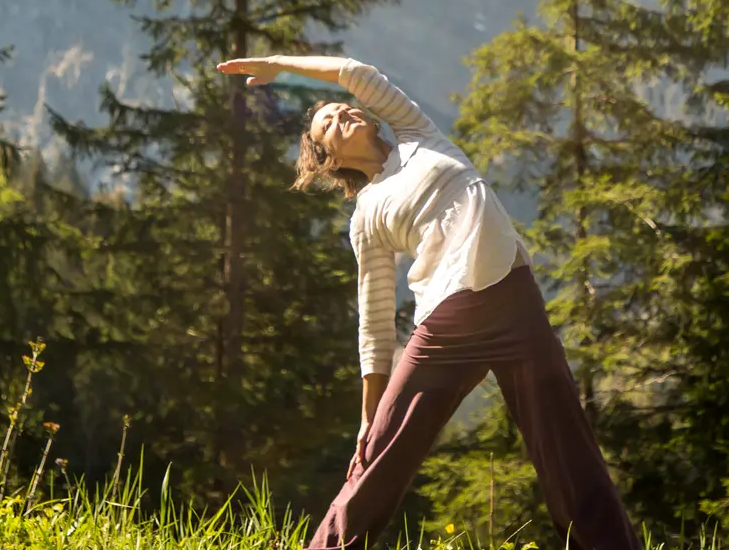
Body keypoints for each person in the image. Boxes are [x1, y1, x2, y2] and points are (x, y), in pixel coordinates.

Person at [216, 54, 642, 550]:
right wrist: (365, 416)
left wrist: (278, 64)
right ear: (327, 158)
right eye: (327, 123)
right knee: (379, 452)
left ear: (371, 116)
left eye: (341, 108)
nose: (341, 113)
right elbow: (374, 323)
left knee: (568, 449)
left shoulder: (419, 135)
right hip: (447, 322)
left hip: (513, 300)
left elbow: (354, 72)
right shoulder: (366, 217)